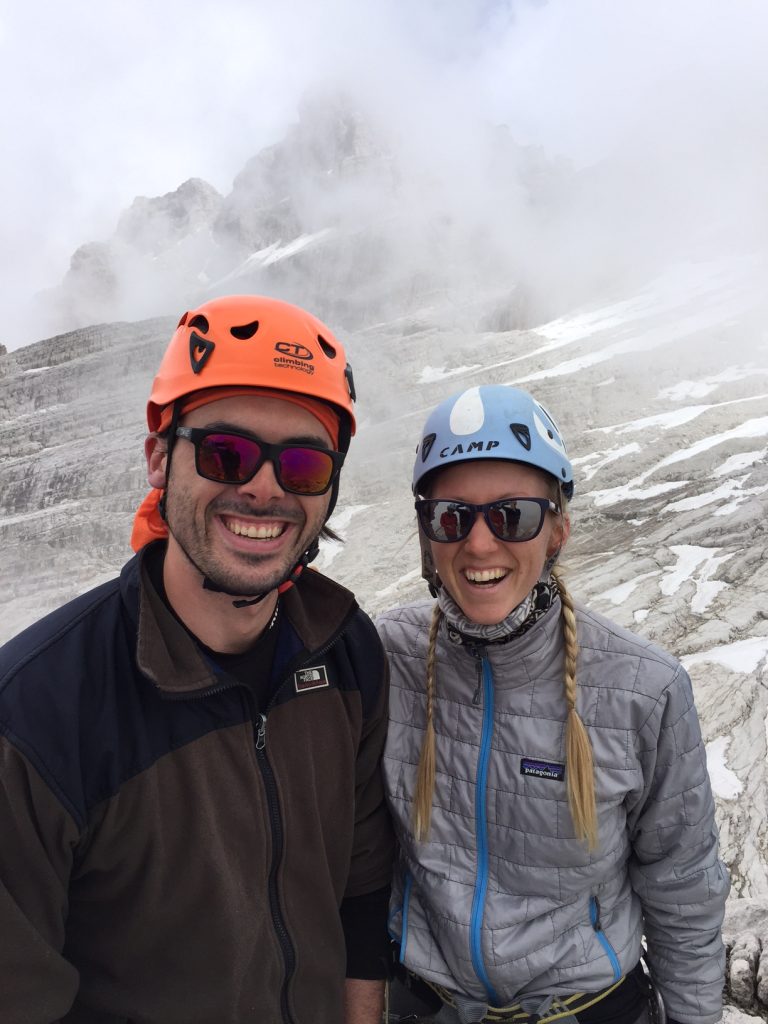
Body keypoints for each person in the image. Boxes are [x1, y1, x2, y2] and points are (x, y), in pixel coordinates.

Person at [0, 295, 394, 1024]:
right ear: (158, 457)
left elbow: (361, 889)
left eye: (304, 465)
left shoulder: (345, 652)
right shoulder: (34, 715)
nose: (264, 487)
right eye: (226, 453)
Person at [377, 384, 729, 1024]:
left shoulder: (642, 690)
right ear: (427, 535)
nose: (480, 545)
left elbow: (683, 887)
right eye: (451, 517)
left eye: (513, 515)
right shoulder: (384, 658)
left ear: (558, 530)